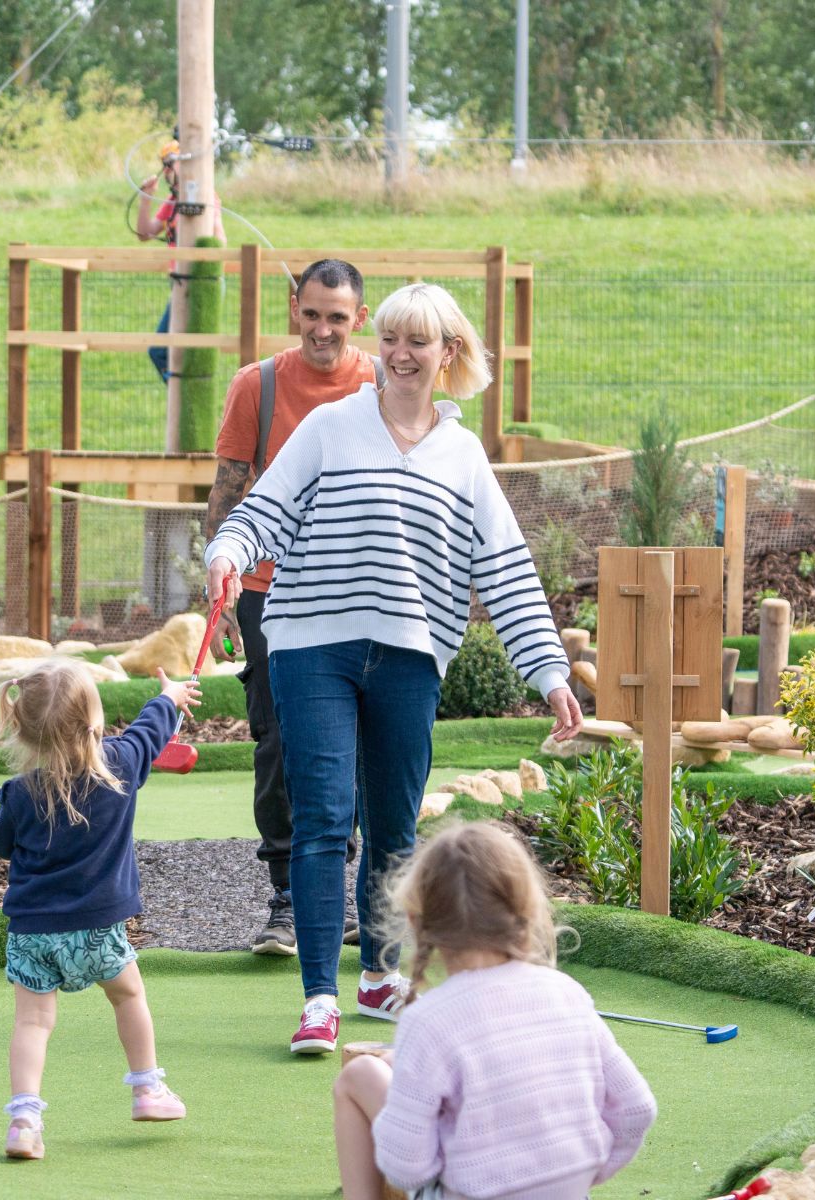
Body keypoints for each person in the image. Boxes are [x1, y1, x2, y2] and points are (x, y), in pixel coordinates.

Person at [204, 282, 584, 1055]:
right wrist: (227, 552)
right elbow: (265, 509)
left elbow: (506, 571)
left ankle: (379, 977)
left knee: (394, 826)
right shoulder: (331, 426)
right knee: (321, 818)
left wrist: (549, 672)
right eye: (391, 341)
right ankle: (318, 997)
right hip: (311, 644)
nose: (401, 355)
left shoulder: (464, 454)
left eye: (420, 342)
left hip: (411, 656)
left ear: (449, 353)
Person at [205, 258, 381, 957]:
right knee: (279, 742)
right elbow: (227, 487)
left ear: (358, 319)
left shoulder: (379, 381)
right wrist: (217, 588)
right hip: (266, 590)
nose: (323, 330)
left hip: (362, 590)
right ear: (293, 310)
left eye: (337, 317)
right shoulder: (260, 385)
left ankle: (349, 895)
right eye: (312, 314)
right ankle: (286, 900)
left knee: (362, 744)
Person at [332, 822, 658, 1200]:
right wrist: (584, 1175)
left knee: (359, 1076)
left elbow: (407, 1168)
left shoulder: (430, 1020)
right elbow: (638, 1109)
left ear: (418, 922)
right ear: (526, 909)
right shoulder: (567, 993)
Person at [0, 657, 201, 1160]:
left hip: (32, 934)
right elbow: (150, 730)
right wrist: (170, 699)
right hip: (99, 930)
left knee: (32, 1023)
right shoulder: (121, 766)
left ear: (22, 728)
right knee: (127, 997)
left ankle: (24, 1121)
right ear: (95, 724)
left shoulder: (20, 793)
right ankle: (147, 1090)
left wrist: (9, 816)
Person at [136, 136, 226, 383]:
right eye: (164, 165)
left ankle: (186, 397)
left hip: (200, 284)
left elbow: (220, 242)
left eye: (171, 163)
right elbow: (145, 232)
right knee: (165, 352)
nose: (166, 170)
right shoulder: (172, 203)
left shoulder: (205, 197)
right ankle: (181, 397)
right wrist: (145, 199)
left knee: (175, 352)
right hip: (179, 283)